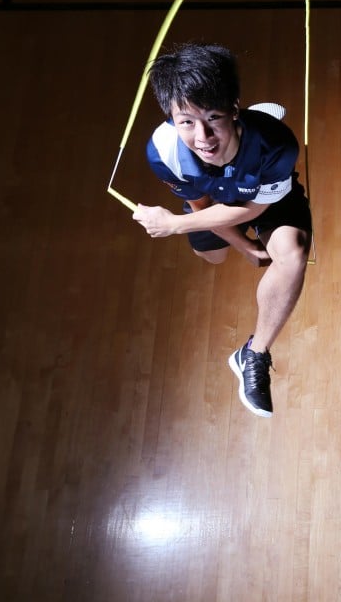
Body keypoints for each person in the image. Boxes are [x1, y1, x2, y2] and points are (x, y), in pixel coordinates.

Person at [133, 43, 312, 418]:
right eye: (186, 122)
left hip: (262, 193)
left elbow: (254, 209)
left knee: (292, 255)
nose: (202, 136)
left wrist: (174, 224)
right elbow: (202, 206)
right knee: (213, 256)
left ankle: (254, 354)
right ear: (172, 117)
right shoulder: (164, 151)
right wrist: (243, 246)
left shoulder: (277, 145)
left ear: (233, 107)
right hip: (216, 199)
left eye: (213, 117)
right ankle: (241, 122)